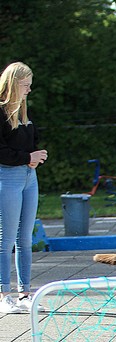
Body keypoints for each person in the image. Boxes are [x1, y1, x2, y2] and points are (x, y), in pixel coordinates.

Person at [0, 62, 48, 314]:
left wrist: (36, 156)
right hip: (8, 177)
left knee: (25, 239)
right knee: (6, 239)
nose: (29, 89)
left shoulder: (24, 114)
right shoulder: (1, 113)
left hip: (29, 177)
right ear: (13, 84)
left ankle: (25, 293)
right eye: (25, 85)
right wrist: (28, 157)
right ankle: (3, 294)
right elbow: (2, 152)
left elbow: (32, 142)